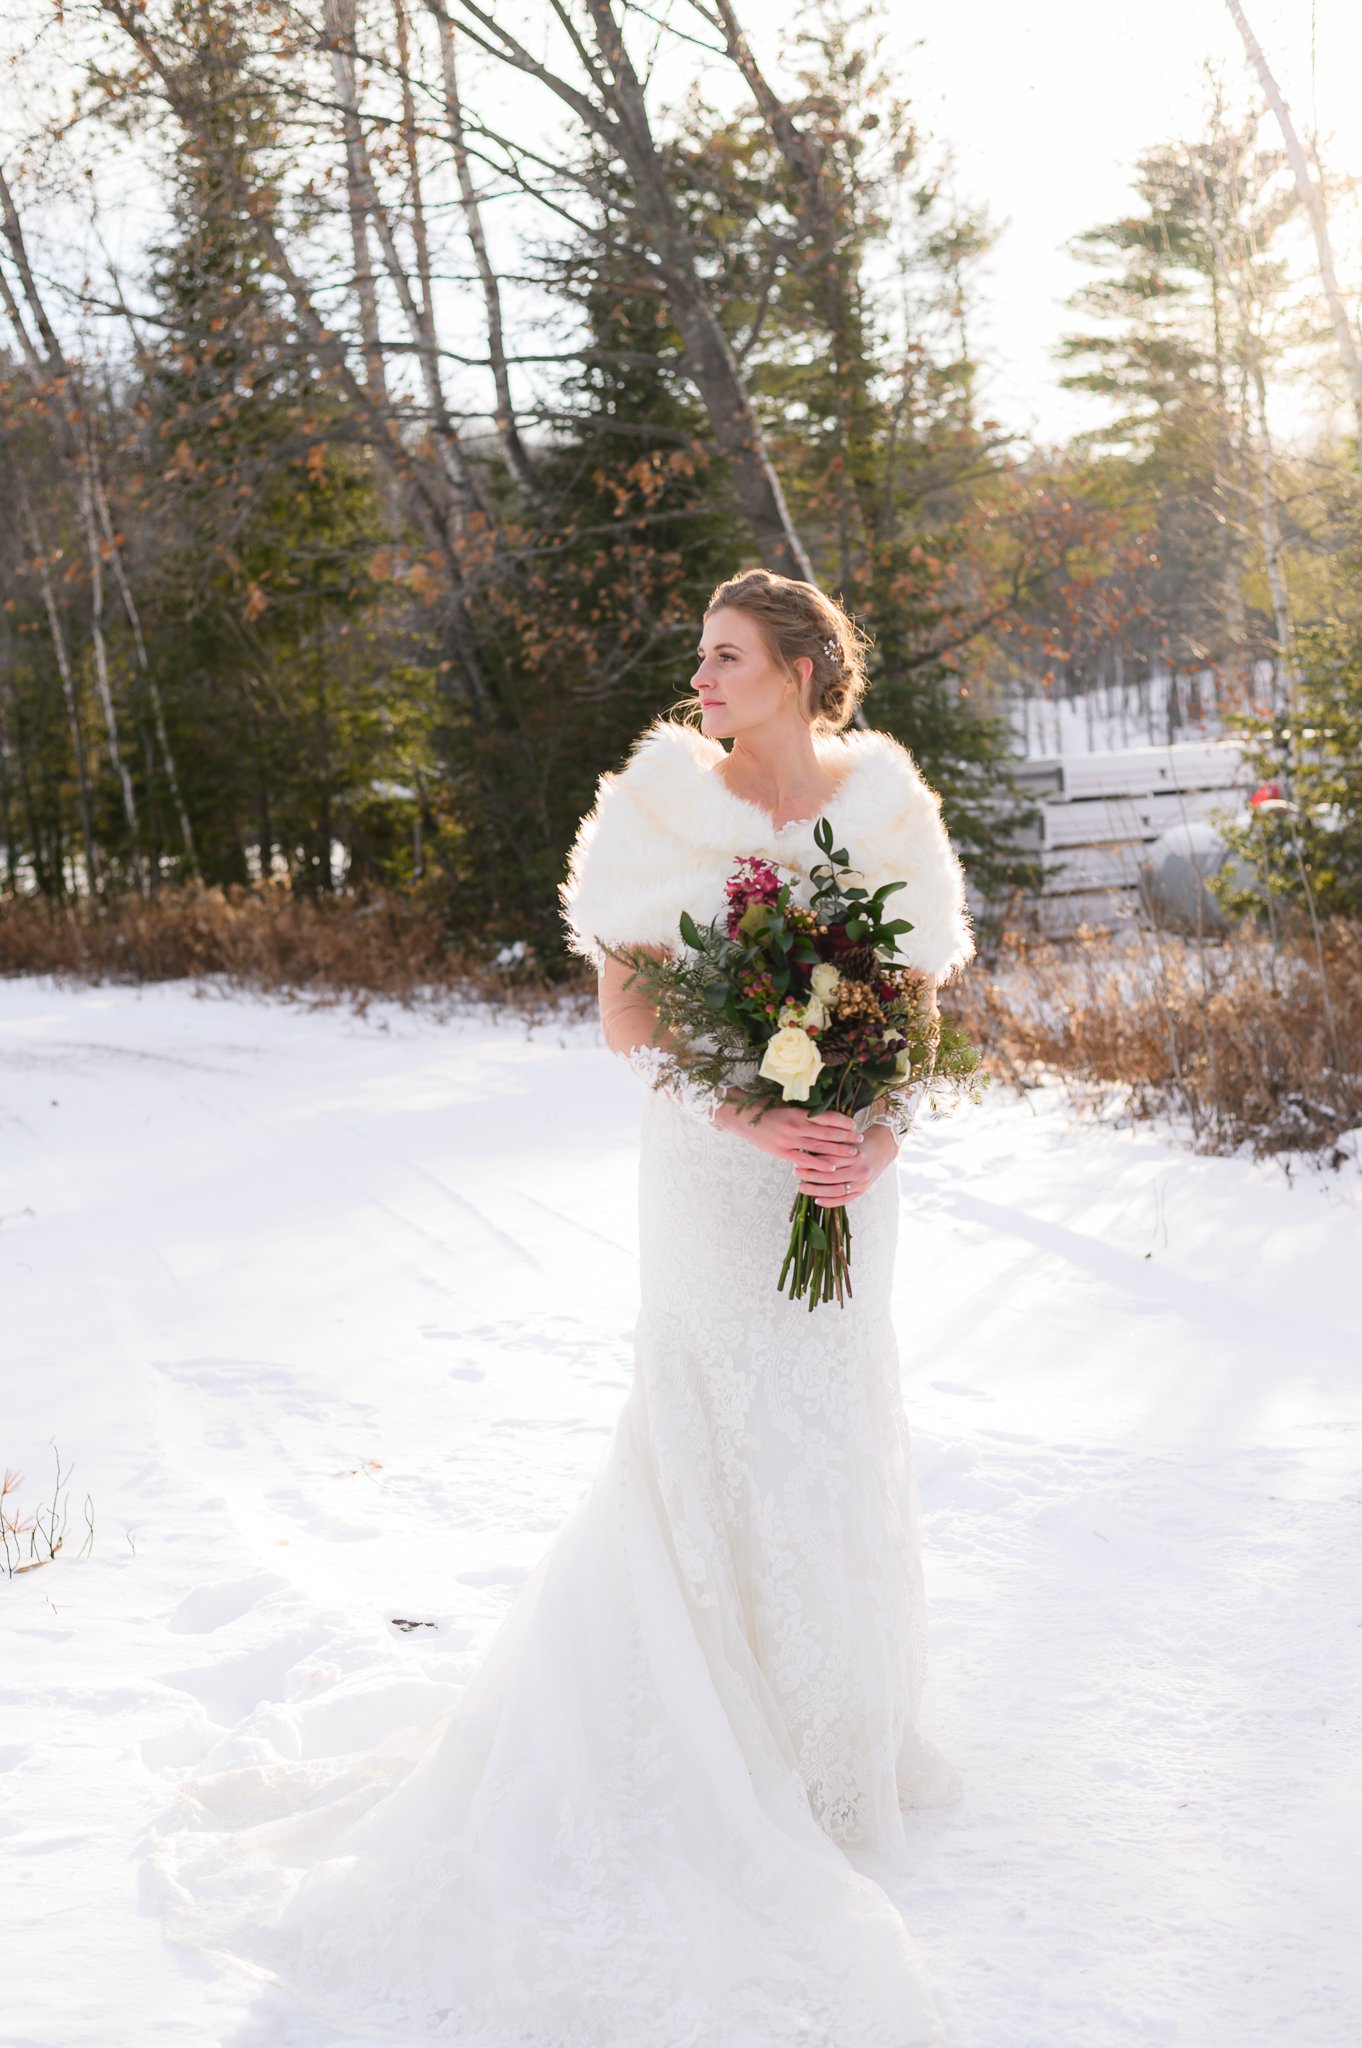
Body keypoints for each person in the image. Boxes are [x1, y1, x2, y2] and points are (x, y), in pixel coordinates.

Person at [155, 567, 974, 2047]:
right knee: (714, 1412)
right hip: (713, 1172)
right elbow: (629, 1021)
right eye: (701, 656)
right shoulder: (657, 805)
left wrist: (867, 1128)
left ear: (798, 668)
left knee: (837, 1414)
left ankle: (837, 1737)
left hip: (847, 1175)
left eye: (726, 656)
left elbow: (915, 1010)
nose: (702, 677)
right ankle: (698, 1734)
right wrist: (758, 1123)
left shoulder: (888, 805)